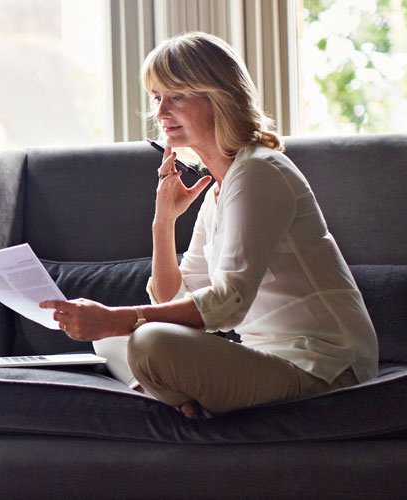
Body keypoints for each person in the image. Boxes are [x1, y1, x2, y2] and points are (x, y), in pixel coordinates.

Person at [39, 32, 378, 419]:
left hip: (325, 369)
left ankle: (171, 400)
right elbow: (170, 301)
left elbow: (227, 303)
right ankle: (180, 400)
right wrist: (163, 223)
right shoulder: (220, 188)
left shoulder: (259, 172)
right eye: (157, 98)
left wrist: (116, 318)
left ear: (220, 97)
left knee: (143, 339)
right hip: (266, 358)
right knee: (112, 340)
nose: (161, 113)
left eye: (177, 97)